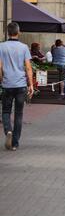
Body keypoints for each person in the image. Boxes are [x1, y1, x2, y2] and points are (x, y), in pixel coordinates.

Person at [0, 22, 34, 151]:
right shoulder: (24, 47)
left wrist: (2, 79)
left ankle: (8, 130)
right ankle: (15, 143)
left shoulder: (1, 47)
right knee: (19, 114)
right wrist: (31, 84)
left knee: (6, 111)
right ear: (18, 32)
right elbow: (28, 67)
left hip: (7, 84)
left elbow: (0, 66)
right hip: (20, 85)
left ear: (7, 32)